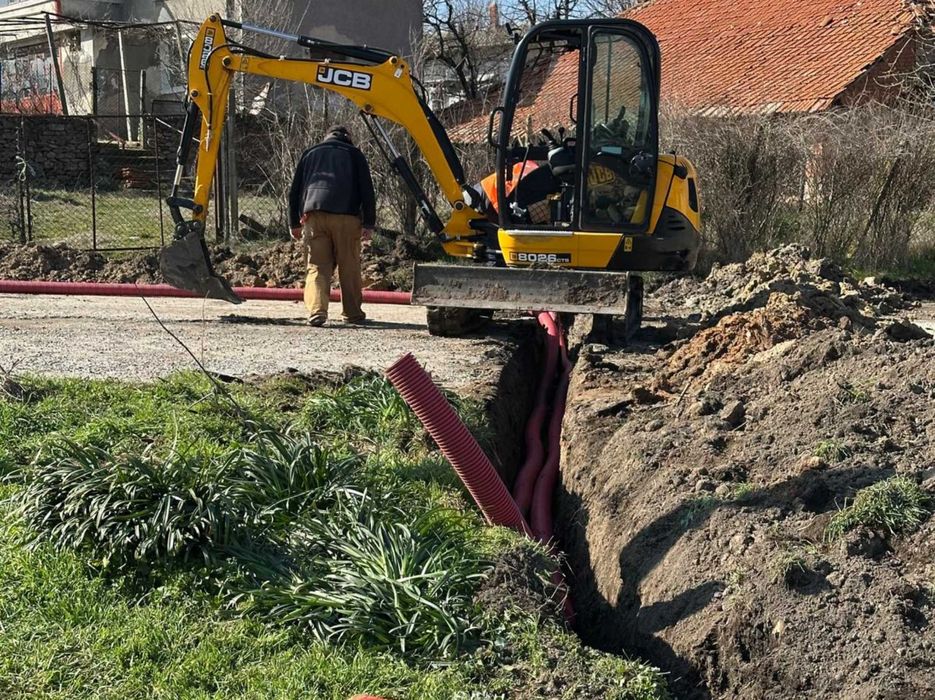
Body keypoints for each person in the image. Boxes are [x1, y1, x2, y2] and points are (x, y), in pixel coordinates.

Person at [289, 125, 376, 326]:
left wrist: (294, 223)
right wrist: (369, 223)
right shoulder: (355, 154)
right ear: (349, 138)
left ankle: (317, 311)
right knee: (349, 266)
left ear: (327, 136)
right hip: (347, 216)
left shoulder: (310, 154)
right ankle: (352, 313)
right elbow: (367, 191)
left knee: (317, 266)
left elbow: (294, 192)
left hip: (314, 216)